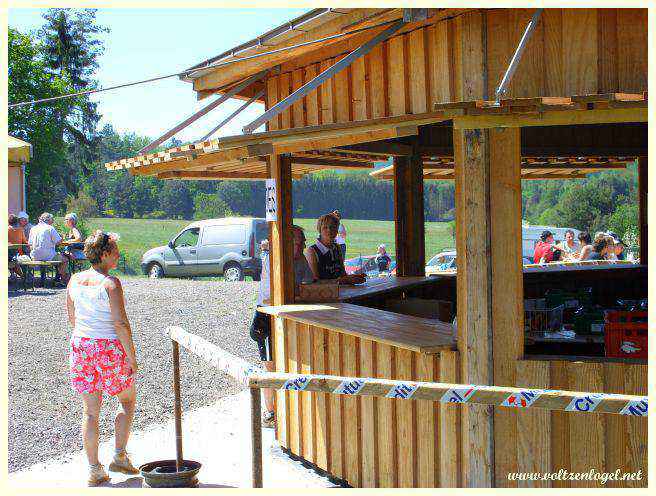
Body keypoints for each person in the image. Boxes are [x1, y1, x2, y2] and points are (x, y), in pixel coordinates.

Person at [66, 230, 139, 486]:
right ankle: (119, 455)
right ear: (105, 254)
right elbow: (120, 323)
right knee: (127, 400)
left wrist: (83, 339)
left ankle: (94, 469)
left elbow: (72, 317)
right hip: (107, 347)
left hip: (81, 346)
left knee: (90, 412)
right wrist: (131, 357)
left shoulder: (74, 279)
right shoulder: (111, 283)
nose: (119, 255)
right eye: (116, 251)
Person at [250, 226, 315, 428]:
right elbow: (271, 296)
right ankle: (270, 414)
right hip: (267, 318)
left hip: (286, 315)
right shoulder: (273, 260)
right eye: (297, 243)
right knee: (270, 366)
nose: (301, 246)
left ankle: (283, 409)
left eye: (302, 243)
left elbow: (310, 283)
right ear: (286, 243)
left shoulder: (301, 259)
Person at [305, 213, 365, 284]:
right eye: (325, 227)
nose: (329, 230)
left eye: (332, 227)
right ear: (319, 230)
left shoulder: (337, 248)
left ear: (337, 230)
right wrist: (343, 281)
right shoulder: (312, 251)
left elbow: (343, 275)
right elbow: (315, 282)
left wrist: (354, 278)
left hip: (340, 291)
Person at [28, 212, 68, 285]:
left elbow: (29, 243)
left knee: (47, 255)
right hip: (48, 256)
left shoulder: (33, 228)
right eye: (52, 219)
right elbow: (58, 242)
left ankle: (43, 278)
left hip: (34, 256)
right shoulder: (50, 228)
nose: (52, 221)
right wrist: (62, 238)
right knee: (64, 260)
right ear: (48, 220)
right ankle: (57, 279)